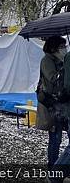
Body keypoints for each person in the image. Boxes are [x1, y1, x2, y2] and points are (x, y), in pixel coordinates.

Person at [36, 36, 69, 171]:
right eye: (62, 47)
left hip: (63, 105)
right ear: (54, 48)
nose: (65, 49)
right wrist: (66, 69)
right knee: (55, 139)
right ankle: (53, 169)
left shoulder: (62, 60)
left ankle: (59, 168)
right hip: (52, 106)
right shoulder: (47, 60)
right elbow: (53, 79)